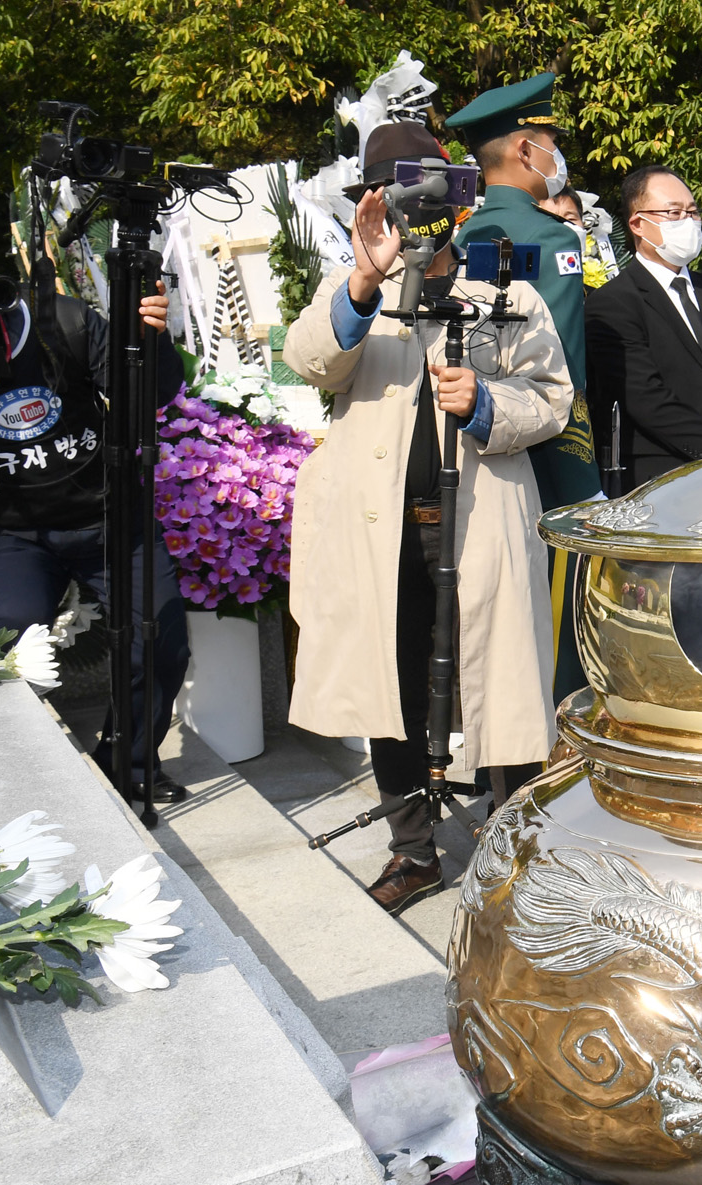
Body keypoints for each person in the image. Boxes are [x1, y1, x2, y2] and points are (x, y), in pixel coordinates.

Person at [282, 122, 573, 915]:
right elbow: (309, 360)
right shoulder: (355, 292)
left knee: (499, 680)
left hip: (477, 520)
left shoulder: (503, 293)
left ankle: (509, 844)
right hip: (379, 528)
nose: (414, 214)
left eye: (428, 196)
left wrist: (484, 404)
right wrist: (362, 282)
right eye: (395, 196)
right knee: (392, 678)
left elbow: (552, 398)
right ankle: (413, 849)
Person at [0, 207, 189, 805]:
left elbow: (152, 396)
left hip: (106, 516)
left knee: (159, 636)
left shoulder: (56, 320)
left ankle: (125, 765)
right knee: (10, 640)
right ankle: (15, 778)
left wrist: (152, 339)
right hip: (7, 533)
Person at [448, 72, 599, 707]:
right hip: (551, 447)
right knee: (560, 612)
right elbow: (557, 359)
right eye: (547, 142)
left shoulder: (468, 234)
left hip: (482, 434)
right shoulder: (550, 236)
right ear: (523, 150)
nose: (555, 157)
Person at [585, 165, 702, 487]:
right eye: (673, 213)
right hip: (663, 475)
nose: (687, 222)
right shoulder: (614, 302)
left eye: (692, 212)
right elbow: (643, 395)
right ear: (637, 224)